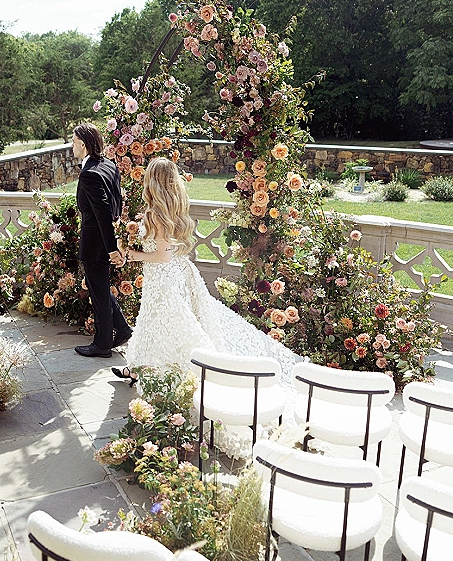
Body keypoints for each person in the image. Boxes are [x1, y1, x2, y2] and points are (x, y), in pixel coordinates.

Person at [112, 157, 299, 381]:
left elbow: (162, 255)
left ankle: (177, 370)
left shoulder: (155, 214)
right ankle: (137, 368)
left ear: (153, 181)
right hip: (171, 274)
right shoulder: (173, 207)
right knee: (153, 323)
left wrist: (133, 255)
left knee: (165, 324)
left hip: (162, 278)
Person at [72, 123, 132, 358]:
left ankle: (103, 344)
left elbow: (103, 212)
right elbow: (117, 200)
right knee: (101, 289)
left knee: (98, 293)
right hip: (100, 241)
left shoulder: (89, 174)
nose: (72, 146)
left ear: (84, 145)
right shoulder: (108, 165)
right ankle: (123, 329)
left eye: (74, 141)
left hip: (96, 244)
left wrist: (111, 249)